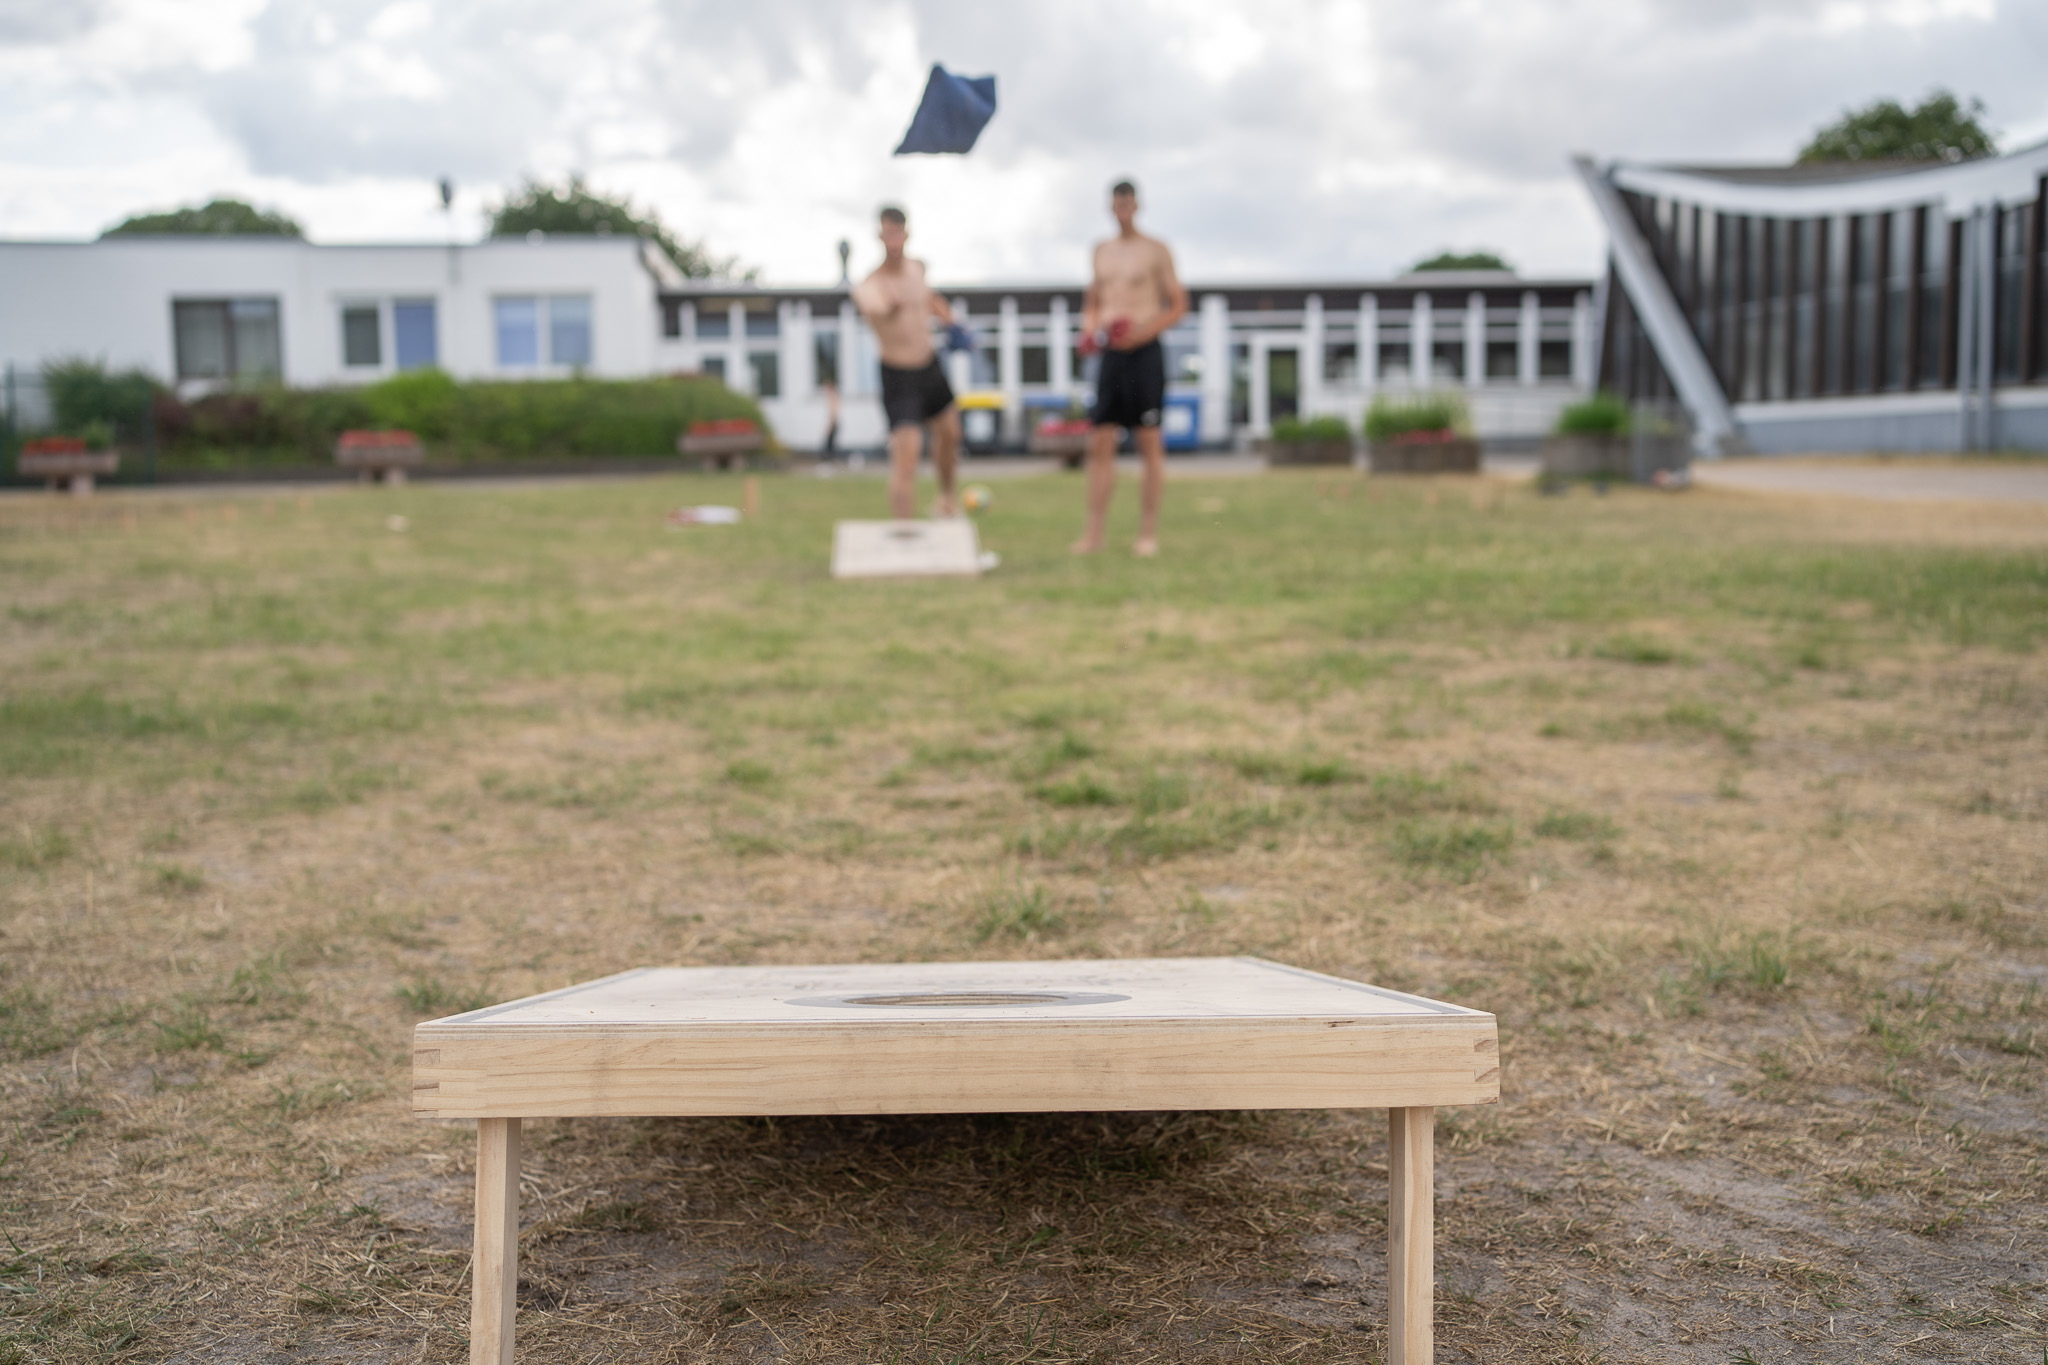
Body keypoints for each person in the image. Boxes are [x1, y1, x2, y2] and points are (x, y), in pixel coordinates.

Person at [1072, 180, 1187, 556]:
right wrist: (1090, 331)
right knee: (1100, 442)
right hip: (1111, 356)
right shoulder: (1100, 251)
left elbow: (1177, 305)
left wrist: (1142, 332)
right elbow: (1093, 302)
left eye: (1128, 203)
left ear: (1136, 206)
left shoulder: (1156, 250)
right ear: (1111, 207)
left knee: (1148, 442)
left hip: (1145, 353)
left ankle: (1147, 534)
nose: (1122, 210)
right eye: (1117, 204)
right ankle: (1094, 534)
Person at [850, 206, 962, 518]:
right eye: (888, 234)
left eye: (898, 233)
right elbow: (875, 308)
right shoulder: (869, 286)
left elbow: (930, 299)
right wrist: (889, 307)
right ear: (880, 236)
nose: (894, 241)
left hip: (930, 366)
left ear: (907, 234)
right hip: (899, 376)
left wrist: (951, 321)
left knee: (951, 434)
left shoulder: (917, 270)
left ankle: (946, 500)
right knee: (907, 457)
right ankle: (904, 529)